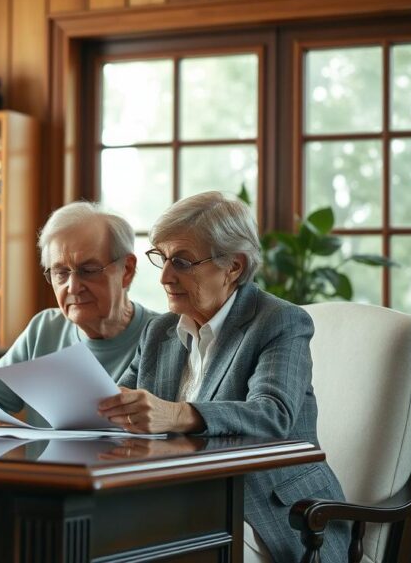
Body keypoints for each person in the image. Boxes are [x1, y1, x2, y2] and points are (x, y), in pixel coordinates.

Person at [97, 191, 349, 562]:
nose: (165, 276)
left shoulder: (279, 321)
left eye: (181, 261)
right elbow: (121, 405)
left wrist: (179, 414)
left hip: (276, 512)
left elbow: (272, 415)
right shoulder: (159, 332)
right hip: (178, 498)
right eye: (161, 258)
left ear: (233, 266)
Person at [0, 201, 157, 426]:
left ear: (127, 270)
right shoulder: (45, 329)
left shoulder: (165, 335)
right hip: (49, 478)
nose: (73, 286)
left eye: (88, 270)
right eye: (60, 272)